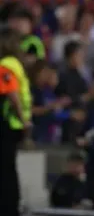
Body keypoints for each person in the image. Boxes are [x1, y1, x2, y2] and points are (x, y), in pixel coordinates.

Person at [0, 28, 31, 216]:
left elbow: (12, 95)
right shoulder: (15, 64)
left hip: (7, 124)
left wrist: (22, 119)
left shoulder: (5, 65)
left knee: (5, 172)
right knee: (8, 170)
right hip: (14, 125)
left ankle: (7, 208)